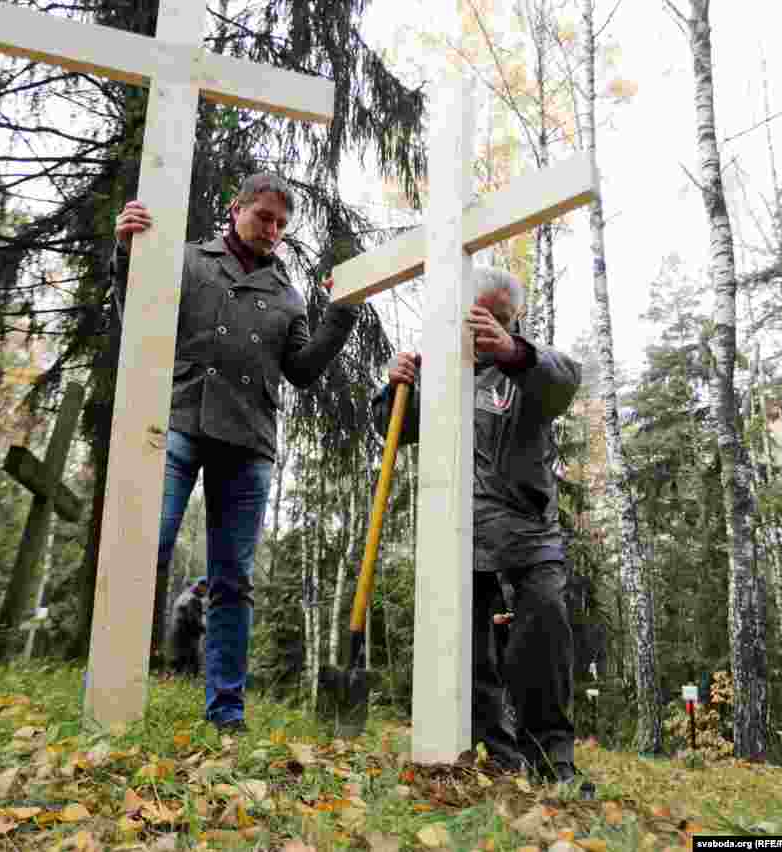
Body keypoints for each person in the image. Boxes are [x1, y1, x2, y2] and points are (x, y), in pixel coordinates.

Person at [112, 172, 359, 732]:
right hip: (179, 419)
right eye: (263, 217)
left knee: (233, 580)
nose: (271, 230)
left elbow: (301, 370)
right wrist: (127, 254)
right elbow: (139, 318)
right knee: (146, 547)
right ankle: (116, 689)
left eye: (280, 224)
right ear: (236, 208)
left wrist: (340, 311)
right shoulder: (188, 260)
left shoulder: (288, 295)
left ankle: (226, 712)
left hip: (249, 442)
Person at [373, 267, 582, 783]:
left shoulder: (530, 369)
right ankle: (497, 754)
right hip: (459, 531)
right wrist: (394, 389)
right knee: (467, 648)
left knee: (543, 631)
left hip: (529, 529)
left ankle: (551, 760)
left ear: (514, 319)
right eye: (478, 315)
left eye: (500, 318)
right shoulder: (444, 376)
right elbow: (393, 430)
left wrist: (514, 351)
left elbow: (562, 381)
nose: (487, 327)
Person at [169, 577, 208, 677]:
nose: (207, 593)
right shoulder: (193, 600)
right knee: (191, 672)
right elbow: (194, 622)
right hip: (187, 642)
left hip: (176, 640)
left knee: (176, 671)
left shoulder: (183, 596)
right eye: (207, 589)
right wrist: (209, 631)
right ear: (201, 586)